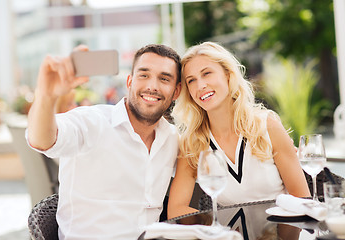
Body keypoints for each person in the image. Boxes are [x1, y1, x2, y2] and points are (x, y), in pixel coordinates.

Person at [26, 44, 181, 239]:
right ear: (130, 81)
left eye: (164, 78)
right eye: (144, 75)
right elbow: (42, 140)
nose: (152, 86)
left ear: (176, 91)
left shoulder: (173, 139)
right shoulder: (91, 122)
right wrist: (46, 95)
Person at [167, 42, 310, 219]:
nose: (200, 85)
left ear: (228, 75)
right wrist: (217, 228)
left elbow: (302, 199)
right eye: (191, 80)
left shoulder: (267, 127)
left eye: (207, 73)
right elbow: (176, 209)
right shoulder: (193, 143)